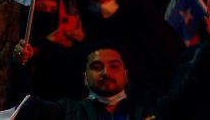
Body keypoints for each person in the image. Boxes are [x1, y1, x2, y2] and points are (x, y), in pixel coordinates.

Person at [13, 42, 210, 119]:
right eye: (96, 67)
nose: (106, 72)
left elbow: (190, 91)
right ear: (84, 78)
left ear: (126, 75)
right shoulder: (69, 112)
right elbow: (26, 108)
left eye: (114, 66)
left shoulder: (149, 109)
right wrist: (23, 65)